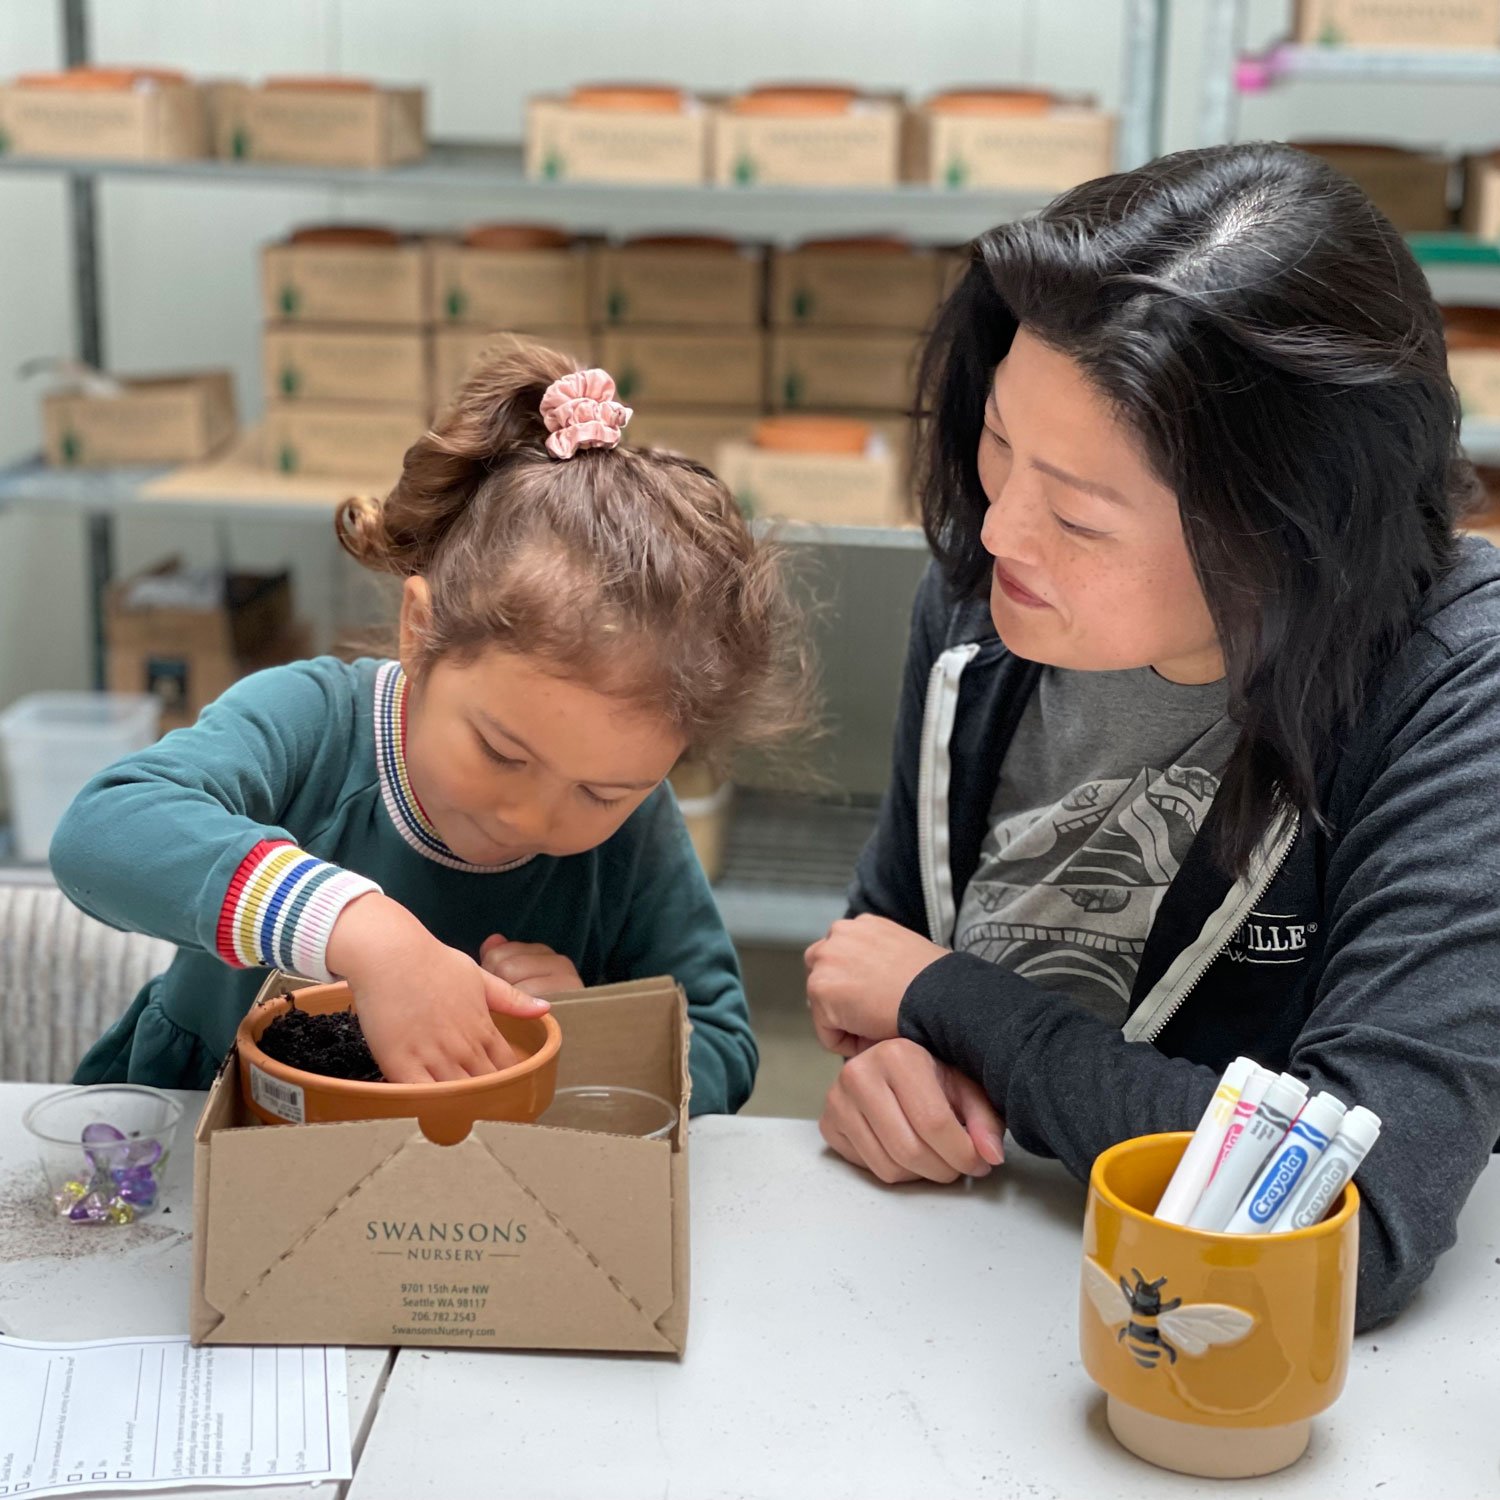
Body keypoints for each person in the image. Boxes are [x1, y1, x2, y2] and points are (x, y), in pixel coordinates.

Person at [804, 141, 1500, 1329]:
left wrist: (957, 1007)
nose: (1001, 527)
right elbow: (891, 960)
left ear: (1286, 533)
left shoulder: (1452, 689)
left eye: (1078, 512)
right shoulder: (983, 603)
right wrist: (897, 1068)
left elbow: (1351, 1219)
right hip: (961, 1294)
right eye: (1000, 441)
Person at [55, 348, 809, 1110]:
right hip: (215, 1126)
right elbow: (103, 831)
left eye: (600, 793)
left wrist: (585, 1031)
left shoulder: (637, 827)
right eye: (502, 752)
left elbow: (719, 1044)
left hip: (467, 1192)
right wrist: (361, 931)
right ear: (420, 632)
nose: (532, 817)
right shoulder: (313, 723)